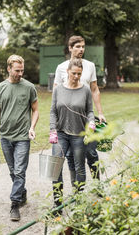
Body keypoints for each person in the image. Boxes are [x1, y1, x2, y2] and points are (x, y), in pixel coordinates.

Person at [0, 54, 39, 221]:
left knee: (19, 170)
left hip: (23, 136)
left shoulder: (29, 87)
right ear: (9, 69)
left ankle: (14, 204)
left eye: (22, 70)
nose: (20, 73)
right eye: (17, 70)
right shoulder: (0, 88)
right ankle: (22, 192)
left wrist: (32, 127)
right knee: (13, 171)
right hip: (5, 137)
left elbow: (35, 110)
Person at [54, 35, 106, 184]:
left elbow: (95, 90)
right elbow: (56, 93)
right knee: (70, 155)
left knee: (90, 151)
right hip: (67, 121)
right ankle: (76, 189)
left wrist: (100, 113)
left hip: (85, 118)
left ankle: (97, 184)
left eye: (83, 46)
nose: (81, 49)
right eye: (77, 46)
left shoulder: (89, 66)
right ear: (70, 48)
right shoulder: (61, 68)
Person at [50, 58, 95, 211]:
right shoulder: (58, 89)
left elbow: (89, 111)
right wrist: (52, 130)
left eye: (79, 74)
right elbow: (53, 112)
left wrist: (92, 122)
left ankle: (78, 200)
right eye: (74, 73)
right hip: (60, 133)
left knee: (79, 168)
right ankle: (57, 203)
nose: (76, 76)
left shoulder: (86, 90)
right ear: (68, 71)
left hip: (79, 134)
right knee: (55, 168)